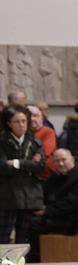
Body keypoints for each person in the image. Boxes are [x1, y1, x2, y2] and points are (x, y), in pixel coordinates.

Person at [27, 149, 78, 262]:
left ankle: (35, 258)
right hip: (59, 215)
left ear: (72, 159)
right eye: (57, 161)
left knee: (33, 223)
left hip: (71, 220)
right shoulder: (56, 176)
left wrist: (46, 211)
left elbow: (71, 203)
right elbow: (44, 192)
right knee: (27, 216)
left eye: (63, 160)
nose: (60, 164)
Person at [0, 105, 45, 245]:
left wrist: (16, 163)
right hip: (7, 197)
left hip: (28, 196)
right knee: (3, 238)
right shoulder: (2, 142)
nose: (21, 125)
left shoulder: (34, 142)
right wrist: (28, 165)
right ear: (9, 123)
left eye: (24, 121)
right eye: (17, 121)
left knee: (23, 240)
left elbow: (40, 166)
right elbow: (3, 167)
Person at [27, 105, 58, 181]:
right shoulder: (24, 133)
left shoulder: (48, 131)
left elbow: (45, 152)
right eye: (29, 116)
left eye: (35, 116)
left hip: (44, 175)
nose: (32, 119)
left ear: (42, 118)